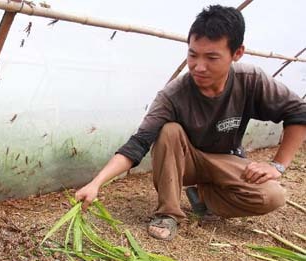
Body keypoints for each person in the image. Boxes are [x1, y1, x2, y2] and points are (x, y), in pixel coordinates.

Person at [75, 5, 306, 241]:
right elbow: (138, 143)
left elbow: (298, 113)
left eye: (212, 57)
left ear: (237, 53)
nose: (199, 66)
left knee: (273, 196)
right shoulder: (173, 95)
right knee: (169, 131)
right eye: (193, 55)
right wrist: (96, 183)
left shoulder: (250, 80)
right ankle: (168, 213)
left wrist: (277, 166)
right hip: (186, 162)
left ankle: (203, 196)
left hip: (226, 160)